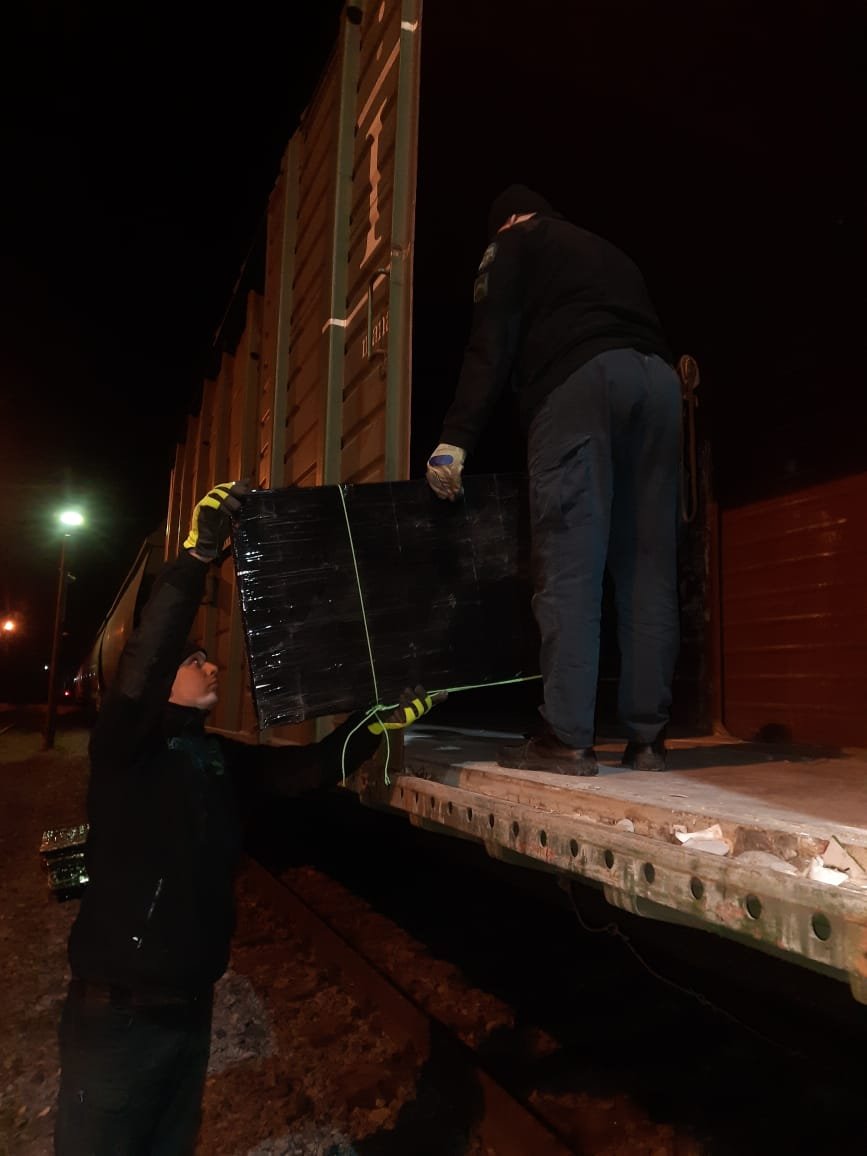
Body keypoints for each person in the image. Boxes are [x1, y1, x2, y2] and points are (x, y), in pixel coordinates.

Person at [55, 481, 441, 1156]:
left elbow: (307, 770)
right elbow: (145, 660)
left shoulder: (211, 758)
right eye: (194, 660)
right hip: (117, 1019)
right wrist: (196, 558)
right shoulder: (124, 749)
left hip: (187, 1009)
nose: (212, 665)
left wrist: (374, 721)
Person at [426, 185, 681, 776]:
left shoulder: (513, 242)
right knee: (649, 568)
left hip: (580, 384)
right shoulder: (609, 251)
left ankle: (567, 738)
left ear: (508, 220)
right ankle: (648, 740)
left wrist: (456, 438)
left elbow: (489, 342)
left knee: (571, 565)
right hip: (658, 386)